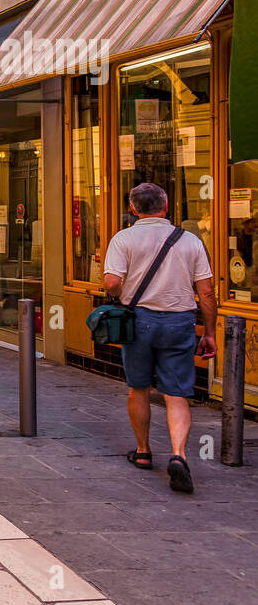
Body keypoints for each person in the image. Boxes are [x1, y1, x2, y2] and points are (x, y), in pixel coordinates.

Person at [103, 182, 215, 494]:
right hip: (179, 321)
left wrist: (120, 291)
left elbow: (112, 282)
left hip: (138, 321)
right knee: (176, 394)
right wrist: (209, 332)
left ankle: (143, 452)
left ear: (133, 209)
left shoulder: (123, 238)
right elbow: (205, 291)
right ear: (165, 207)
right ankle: (178, 454)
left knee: (138, 388)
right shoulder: (190, 240)